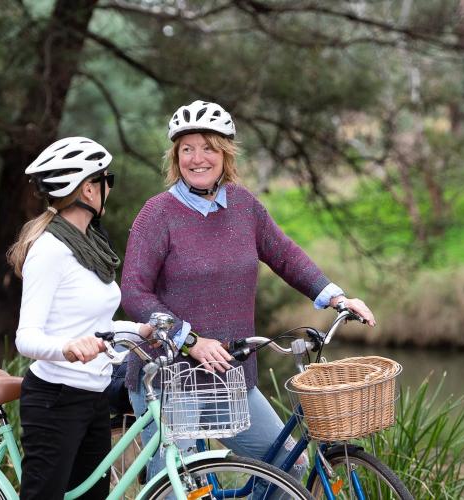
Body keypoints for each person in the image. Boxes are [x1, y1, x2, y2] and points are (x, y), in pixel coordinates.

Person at [119, 100, 376, 484]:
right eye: (187, 149)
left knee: (290, 467)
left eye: (208, 147)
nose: (197, 158)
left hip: (231, 378)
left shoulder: (243, 206)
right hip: (170, 381)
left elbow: (286, 255)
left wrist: (336, 297)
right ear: (176, 156)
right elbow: (134, 293)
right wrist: (190, 339)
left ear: (225, 153)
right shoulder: (157, 214)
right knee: (178, 490)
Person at [7, 136, 153, 500]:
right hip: (55, 400)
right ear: (89, 189)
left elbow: (95, 327)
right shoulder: (50, 251)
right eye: (107, 181)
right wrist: (69, 348)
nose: (109, 189)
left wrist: (141, 330)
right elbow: (26, 338)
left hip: (93, 396)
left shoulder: (89, 244)